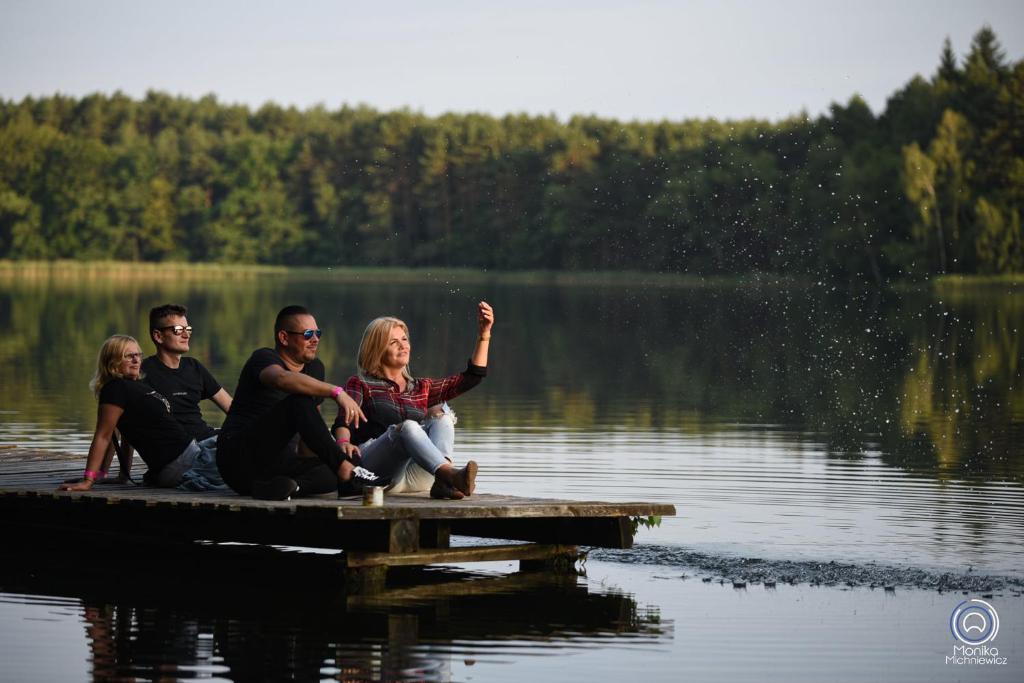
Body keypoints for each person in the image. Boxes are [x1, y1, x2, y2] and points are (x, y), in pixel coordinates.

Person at [333, 301, 494, 500]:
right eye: (393, 342)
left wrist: (484, 335)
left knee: (442, 415)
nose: (403, 345)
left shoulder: (421, 387)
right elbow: (343, 421)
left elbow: (472, 377)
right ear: (376, 350)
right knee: (407, 427)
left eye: (404, 339)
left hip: (414, 476)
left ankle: (443, 481)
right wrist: (343, 442)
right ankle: (449, 476)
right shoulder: (360, 383)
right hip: (375, 472)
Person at [215, 305, 370, 500]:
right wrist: (336, 392)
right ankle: (346, 471)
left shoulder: (315, 368)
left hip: (272, 469)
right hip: (238, 460)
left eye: (318, 333)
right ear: (284, 338)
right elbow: (281, 379)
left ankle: (290, 487)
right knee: (299, 402)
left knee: (332, 470)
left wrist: (337, 449)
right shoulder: (264, 358)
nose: (315, 339)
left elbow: (308, 439)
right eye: (307, 334)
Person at [58, 335, 228, 493]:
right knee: (239, 449)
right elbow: (103, 435)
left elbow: (129, 436)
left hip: (192, 455)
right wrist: (88, 480)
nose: (136, 360)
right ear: (112, 361)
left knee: (236, 441)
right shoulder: (115, 388)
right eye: (129, 356)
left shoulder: (136, 386)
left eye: (138, 355)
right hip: (185, 463)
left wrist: (123, 475)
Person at [142, 303, 232, 443]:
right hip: (184, 450)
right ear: (158, 336)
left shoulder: (194, 367)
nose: (186, 335)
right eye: (178, 330)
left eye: (188, 329)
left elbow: (233, 409)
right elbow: (124, 424)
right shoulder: (142, 372)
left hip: (211, 441)